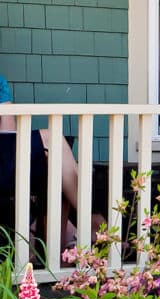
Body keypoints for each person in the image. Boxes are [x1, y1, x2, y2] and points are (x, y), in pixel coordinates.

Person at [1, 73, 96, 250]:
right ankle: (91, 223)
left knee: (55, 159)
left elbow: (8, 137)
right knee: (53, 140)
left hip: (5, 162)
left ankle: (57, 248)